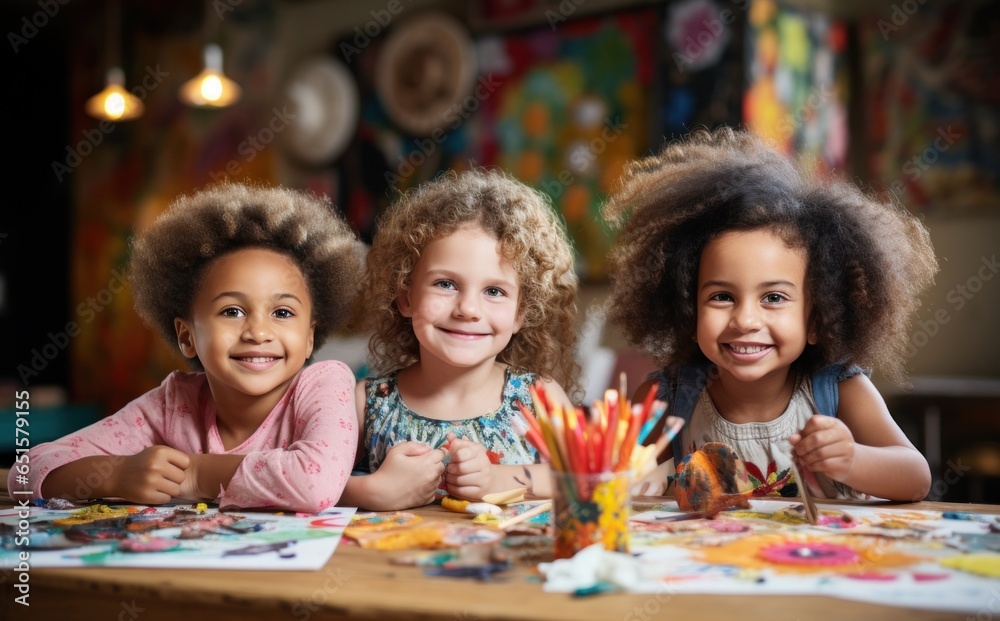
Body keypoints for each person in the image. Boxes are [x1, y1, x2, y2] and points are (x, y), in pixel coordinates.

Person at [603, 127, 938, 502]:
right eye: (722, 296)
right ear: (687, 309)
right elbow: (625, 488)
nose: (745, 320)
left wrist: (852, 460)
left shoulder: (837, 390)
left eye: (774, 297)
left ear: (816, 320)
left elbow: (916, 477)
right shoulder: (666, 398)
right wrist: (639, 478)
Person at [8, 182, 368, 513]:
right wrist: (115, 474)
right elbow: (25, 475)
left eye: (283, 312)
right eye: (232, 311)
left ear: (308, 337)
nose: (258, 332)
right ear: (187, 336)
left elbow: (313, 483)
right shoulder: (172, 405)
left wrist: (194, 474)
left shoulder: (325, 383)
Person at [340, 168, 580, 511]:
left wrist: (496, 479)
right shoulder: (368, 404)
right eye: (445, 284)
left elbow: (585, 477)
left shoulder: (538, 399)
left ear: (520, 313)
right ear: (405, 297)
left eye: (494, 291)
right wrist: (372, 491)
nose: (468, 309)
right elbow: (314, 483)